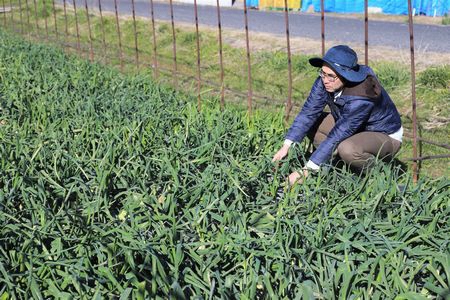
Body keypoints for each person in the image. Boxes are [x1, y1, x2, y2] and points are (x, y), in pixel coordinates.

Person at [272, 45, 403, 185]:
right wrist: (287, 146)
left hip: (383, 135)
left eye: (331, 76)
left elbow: (339, 132)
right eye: (322, 72)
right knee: (313, 123)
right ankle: (333, 165)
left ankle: (378, 176)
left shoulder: (361, 96)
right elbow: (308, 113)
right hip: (353, 126)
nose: (325, 79)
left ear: (346, 75)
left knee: (348, 148)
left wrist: (306, 170)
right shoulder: (326, 81)